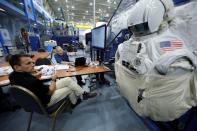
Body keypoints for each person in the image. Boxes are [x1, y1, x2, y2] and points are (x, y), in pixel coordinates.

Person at [8, 54, 97, 107]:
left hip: (35, 97)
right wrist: (53, 80)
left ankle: (83, 94)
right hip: (45, 101)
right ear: (17, 67)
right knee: (69, 88)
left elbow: (28, 81)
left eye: (32, 62)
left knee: (67, 80)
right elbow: (50, 92)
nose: (33, 65)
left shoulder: (13, 76)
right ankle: (74, 103)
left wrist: (35, 76)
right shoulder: (32, 82)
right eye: (28, 63)